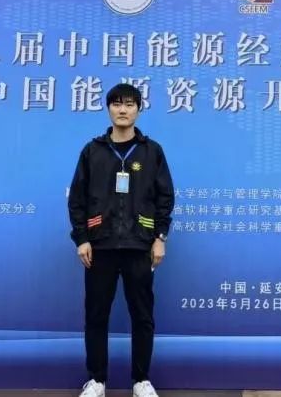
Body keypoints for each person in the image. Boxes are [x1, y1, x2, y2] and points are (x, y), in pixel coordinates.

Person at [68, 83, 175, 397]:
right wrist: (82, 238)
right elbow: (77, 200)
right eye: (116, 104)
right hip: (99, 247)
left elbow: (165, 198)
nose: (123, 110)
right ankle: (97, 381)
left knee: (142, 316)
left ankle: (141, 380)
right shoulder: (92, 151)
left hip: (139, 246)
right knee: (96, 316)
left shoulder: (152, 151)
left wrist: (160, 237)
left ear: (138, 109)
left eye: (129, 104)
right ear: (108, 109)